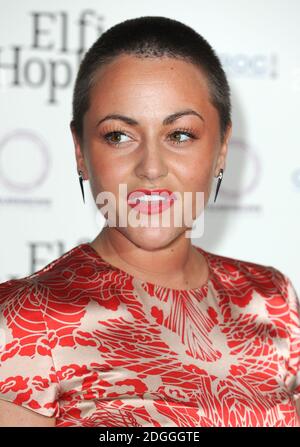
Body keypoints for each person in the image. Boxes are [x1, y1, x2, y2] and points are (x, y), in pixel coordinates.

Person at [0, 15, 299, 428]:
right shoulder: (25, 321)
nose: (152, 168)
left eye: (179, 135)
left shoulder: (273, 300)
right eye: (119, 136)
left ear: (223, 147)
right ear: (81, 151)